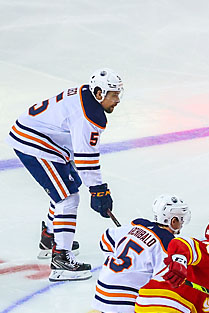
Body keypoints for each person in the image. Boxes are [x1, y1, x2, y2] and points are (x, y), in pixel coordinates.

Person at [7, 69, 123, 281]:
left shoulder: (86, 96)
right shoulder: (90, 115)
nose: (117, 100)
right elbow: (86, 157)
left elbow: (79, 148)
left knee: (65, 189)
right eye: (113, 95)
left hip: (44, 139)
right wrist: (99, 190)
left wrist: (95, 188)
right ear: (99, 93)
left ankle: (50, 238)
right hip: (36, 144)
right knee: (68, 198)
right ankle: (61, 260)